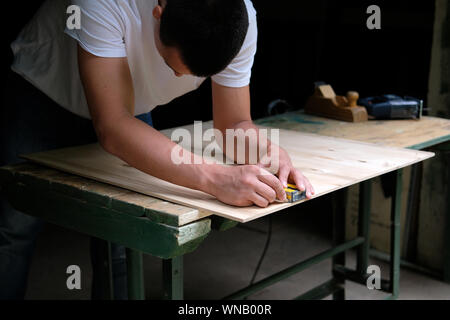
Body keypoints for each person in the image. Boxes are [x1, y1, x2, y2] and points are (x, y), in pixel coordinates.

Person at [1, 0, 314, 299]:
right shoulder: (104, 2)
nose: (178, 79)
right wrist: (218, 179)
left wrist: (270, 153)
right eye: (171, 65)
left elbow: (233, 124)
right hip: (46, 91)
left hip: (128, 108)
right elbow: (112, 127)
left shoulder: (236, 18)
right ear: (157, 14)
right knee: (14, 229)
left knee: (124, 236)